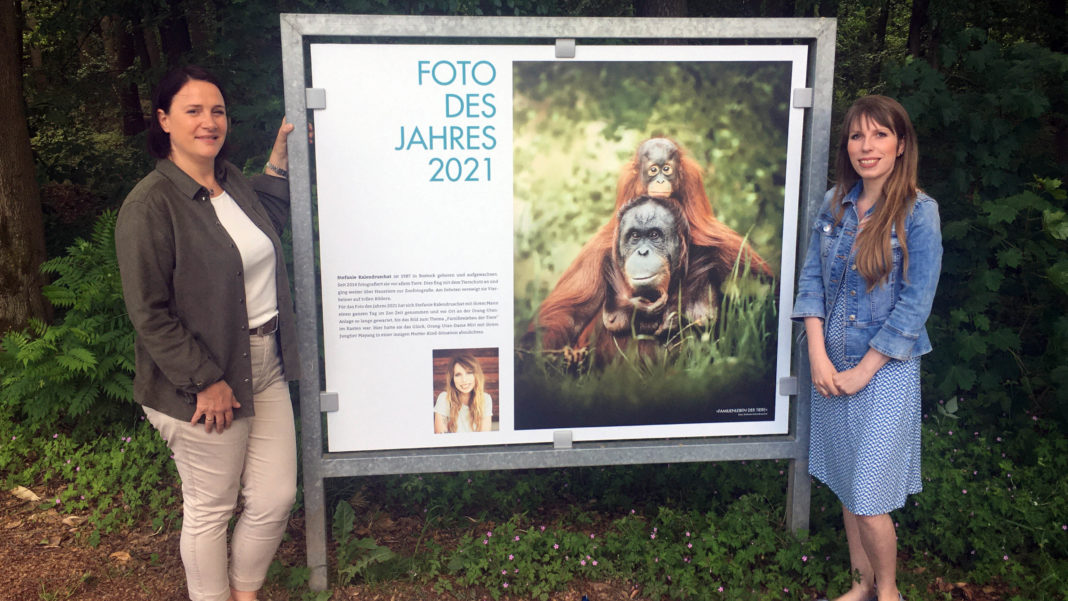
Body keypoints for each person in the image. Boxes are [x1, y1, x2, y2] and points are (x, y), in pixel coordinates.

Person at [115, 65, 299, 601]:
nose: (208, 121)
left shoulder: (233, 181)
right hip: (203, 382)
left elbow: (264, 230)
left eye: (216, 110)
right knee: (211, 508)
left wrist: (278, 163)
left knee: (275, 497)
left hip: (266, 365)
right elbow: (148, 311)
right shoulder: (150, 206)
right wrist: (204, 380)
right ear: (164, 120)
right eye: (193, 110)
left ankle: (245, 592)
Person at [792, 95, 942, 601]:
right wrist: (817, 352)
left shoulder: (920, 212)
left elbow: (915, 304)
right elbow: (811, 281)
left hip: (884, 373)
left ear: (901, 145)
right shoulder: (836, 203)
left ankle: (890, 593)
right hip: (830, 366)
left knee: (871, 495)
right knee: (844, 482)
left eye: (879, 134)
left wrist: (864, 370)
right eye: (857, 135)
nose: (867, 146)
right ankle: (859, 588)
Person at [434, 354, 492, 433]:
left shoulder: (485, 399)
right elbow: (441, 436)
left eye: (469, 373)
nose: (464, 380)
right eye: (458, 375)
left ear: (476, 375)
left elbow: (485, 436)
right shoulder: (444, 398)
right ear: (452, 379)